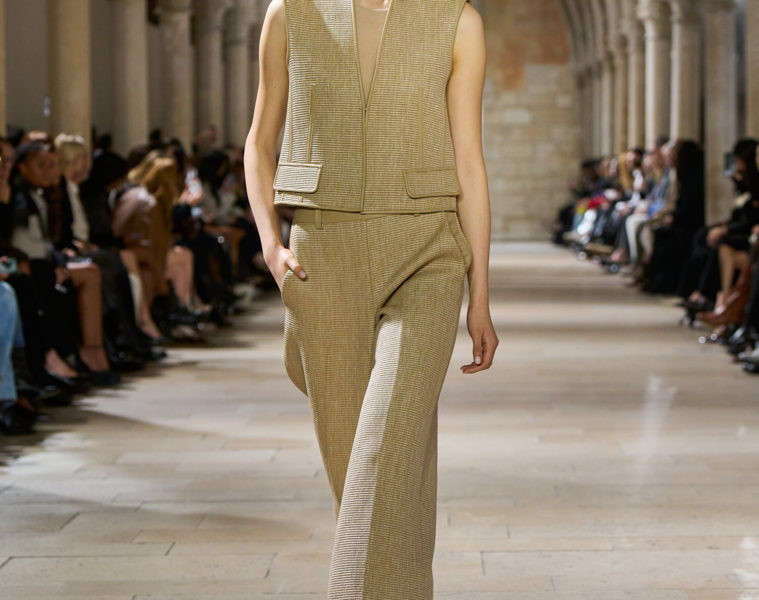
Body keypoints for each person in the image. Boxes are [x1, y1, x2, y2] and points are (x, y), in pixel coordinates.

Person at [243, 0, 498, 598]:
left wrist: (480, 295)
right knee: (361, 483)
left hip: (427, 255)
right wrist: (270, 246)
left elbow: (468, 162)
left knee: (387, 448)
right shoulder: (290, 13)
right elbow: (259, 141)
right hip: (323, 260)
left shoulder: (456, 20)